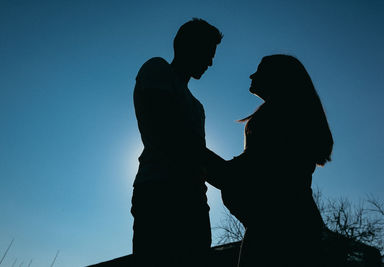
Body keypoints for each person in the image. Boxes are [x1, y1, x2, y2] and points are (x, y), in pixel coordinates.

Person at [206, 55, 333, 267]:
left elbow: (242, 174)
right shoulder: (290, 118)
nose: (252, 75)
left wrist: (190, 150)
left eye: (260, 70)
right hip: (294, 230)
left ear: (279, 78)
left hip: (279, 235)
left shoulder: (278, 118)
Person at [131, 18, 223, 267]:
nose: (210, 62)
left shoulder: (197, 106)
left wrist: (230, 178)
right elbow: (169, 135)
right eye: (207, 52)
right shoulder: (157, 70)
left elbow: (197, 158)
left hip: (194, 199)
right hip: (159, 192)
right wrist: (228, 173)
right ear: (185, 46)